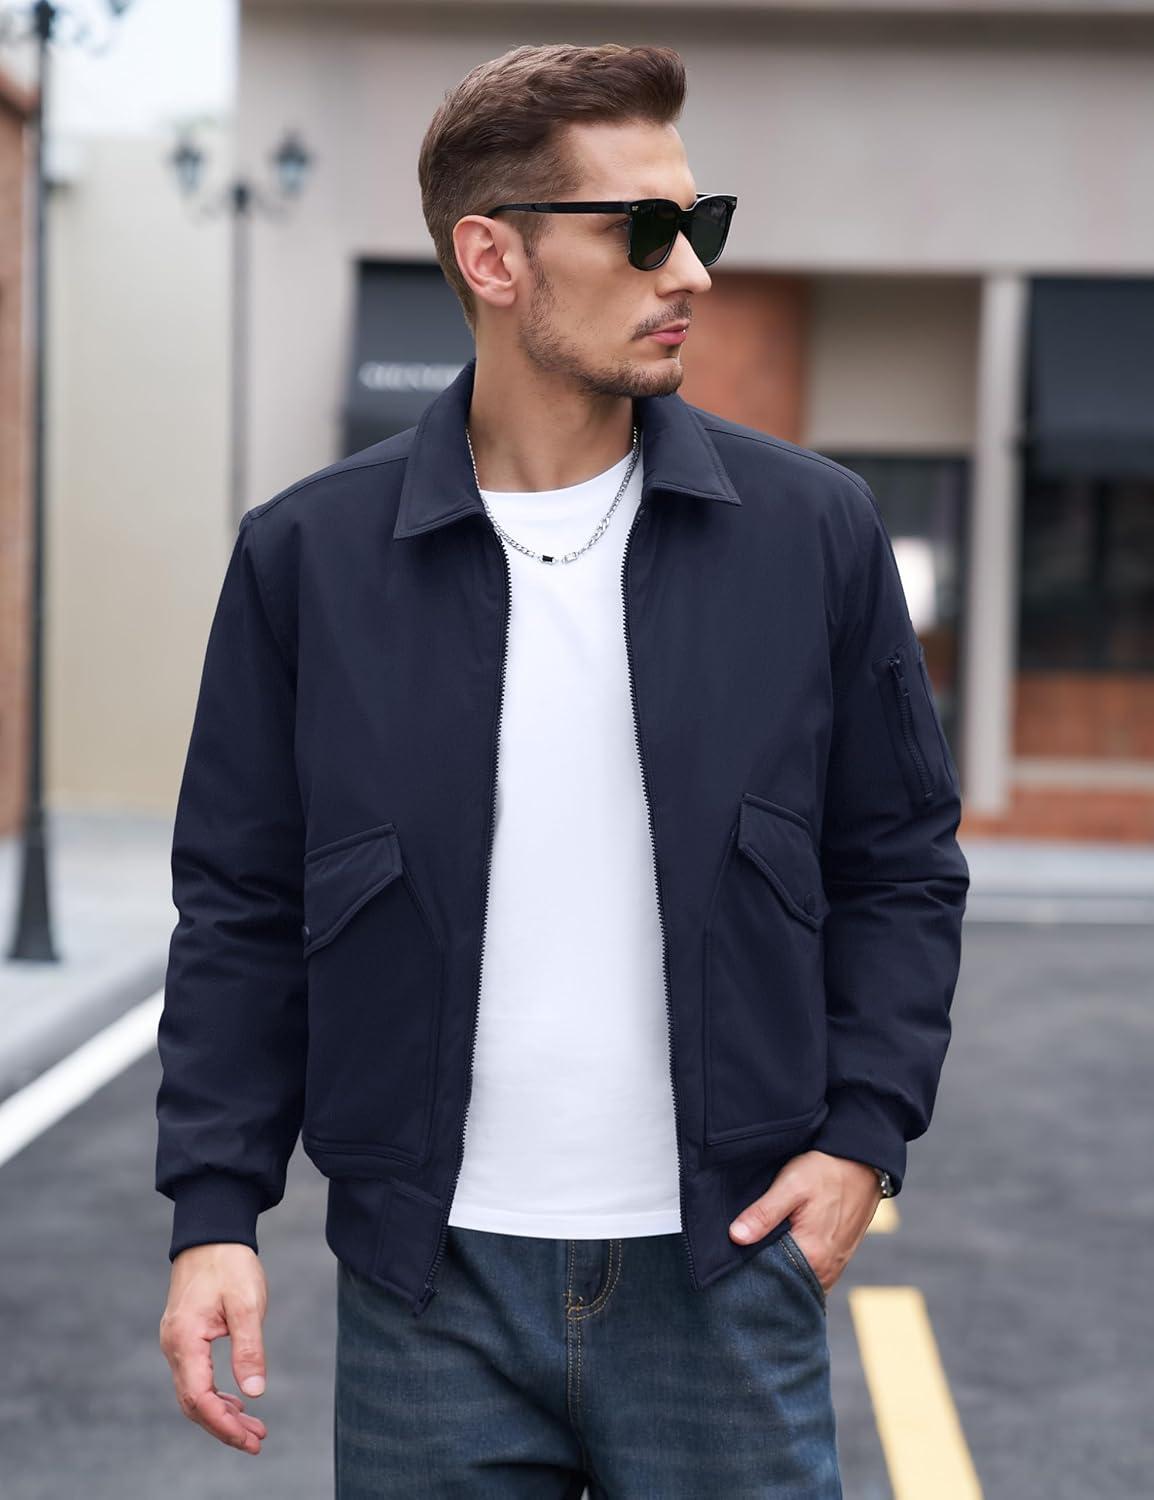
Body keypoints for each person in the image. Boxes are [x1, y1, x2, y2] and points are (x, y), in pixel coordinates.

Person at [156, 41, 968, 1498]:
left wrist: (863, 1137)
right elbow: (241, 902)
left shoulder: (813, 534)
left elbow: (901, 862)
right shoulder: (309, 558)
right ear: (493, 257)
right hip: (429, 1286)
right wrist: (214, 1212)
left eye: (699, 223)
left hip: (724, 1267)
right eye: (645, 229)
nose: (691, 271)